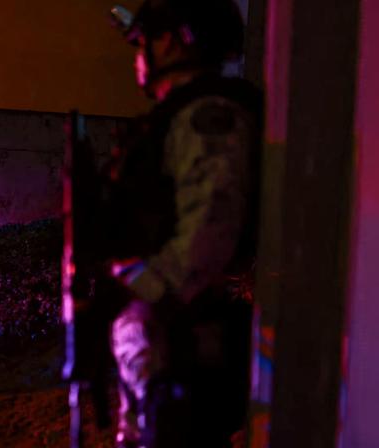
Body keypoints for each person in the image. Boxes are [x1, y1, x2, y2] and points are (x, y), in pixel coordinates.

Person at [105, 1, 261, 446]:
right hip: (166, 336)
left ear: (171, 42)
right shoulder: (177, 119)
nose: (138, 57)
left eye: (142, 43)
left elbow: (210, 232)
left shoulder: (207, 116)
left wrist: (144, 295)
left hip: (187, 339)